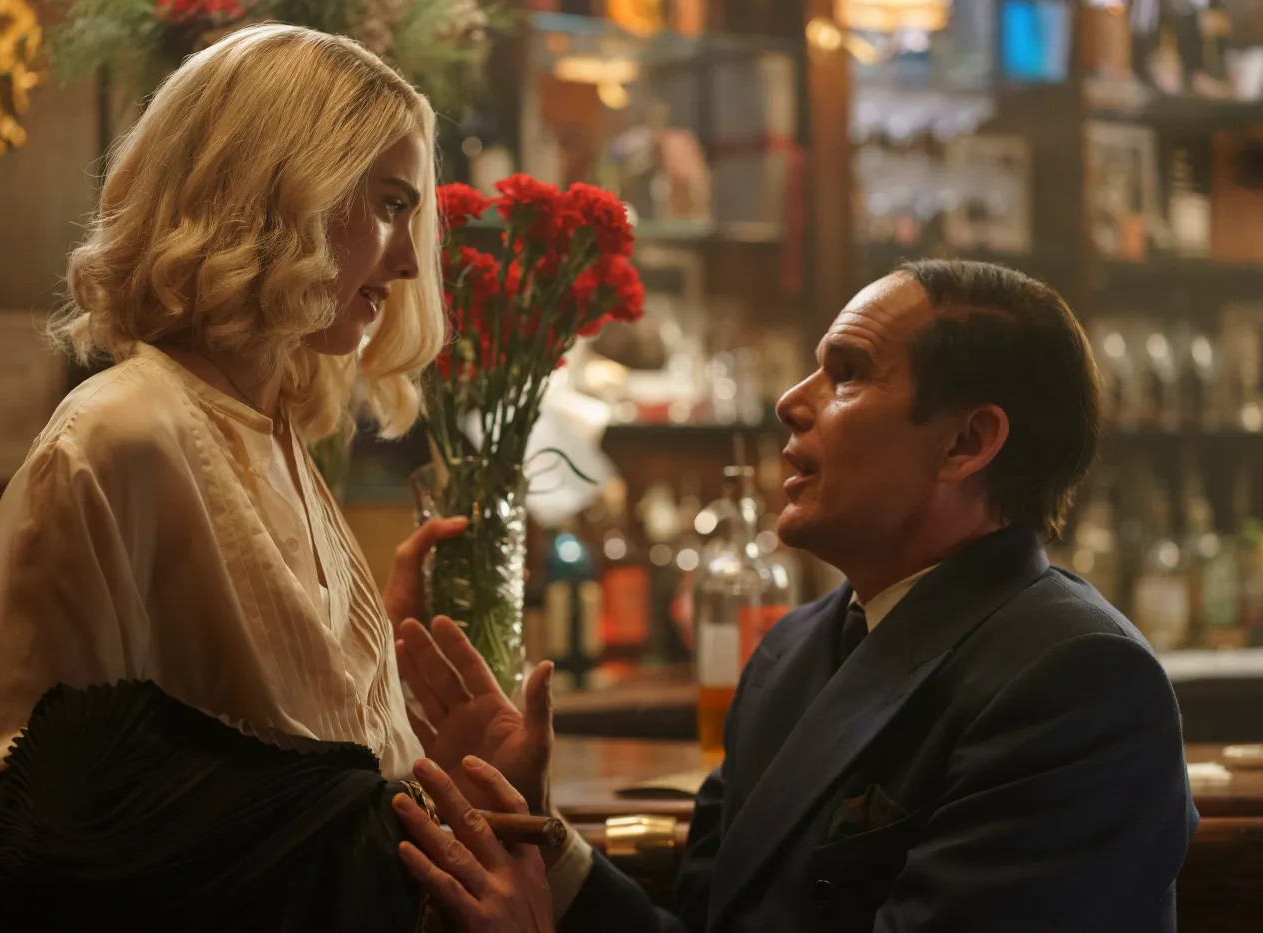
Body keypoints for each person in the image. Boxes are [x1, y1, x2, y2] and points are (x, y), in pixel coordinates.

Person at [395, 260, 1199, 932]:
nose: (791, 399)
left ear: (966, 442)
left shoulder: (1077, 681)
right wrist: (538, 836)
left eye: (847, 373)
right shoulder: (791, 650)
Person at [0, 23, 478, 862]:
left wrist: (394, 714)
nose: (408, 260)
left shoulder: (276, 430)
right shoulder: (121, 437)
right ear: (282, 189)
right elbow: (2, 828)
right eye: (391, 205)